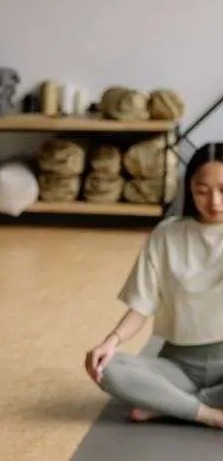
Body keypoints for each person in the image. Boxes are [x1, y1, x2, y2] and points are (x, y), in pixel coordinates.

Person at [85, 142, 223, 428]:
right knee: (107, 367)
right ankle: (208, 413)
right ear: (189, 188)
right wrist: (110, 342)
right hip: (178, 365)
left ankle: (170, 404)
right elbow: (141, 304)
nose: (214, 202)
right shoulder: (166, 235)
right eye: (202, 190)